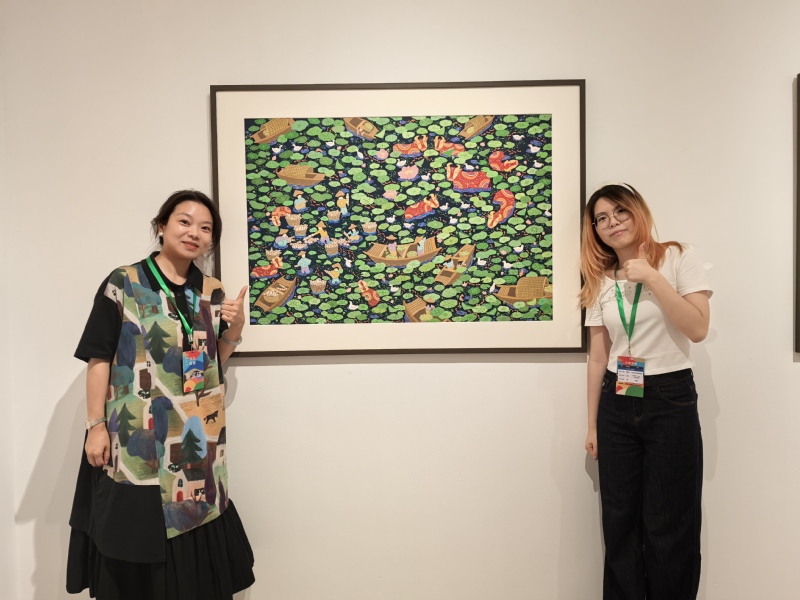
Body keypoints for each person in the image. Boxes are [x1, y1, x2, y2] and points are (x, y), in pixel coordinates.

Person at [67, 190, 255, 599]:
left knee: (195, 534)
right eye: (184, 221)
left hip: (197, 440)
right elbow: (98, 357)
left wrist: (235, 330)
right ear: (162, 226)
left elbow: (212, 364)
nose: (194, 233)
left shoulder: (212, 291)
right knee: (136, 553)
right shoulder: (124, 282)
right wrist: (94, 425)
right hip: (136, 438)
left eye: (205, 228)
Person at [581, 183, 711, 600]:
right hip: (617, 401)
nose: (612, 222)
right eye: (601, 218)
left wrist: (652, 277)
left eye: (619, 211)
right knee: (619, 522)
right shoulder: (599, 279)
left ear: (638, 210)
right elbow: (598, 357)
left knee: (669, 521)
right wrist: (592, 425)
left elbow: (698, 328)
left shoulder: (677, 256)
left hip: (670, 397)